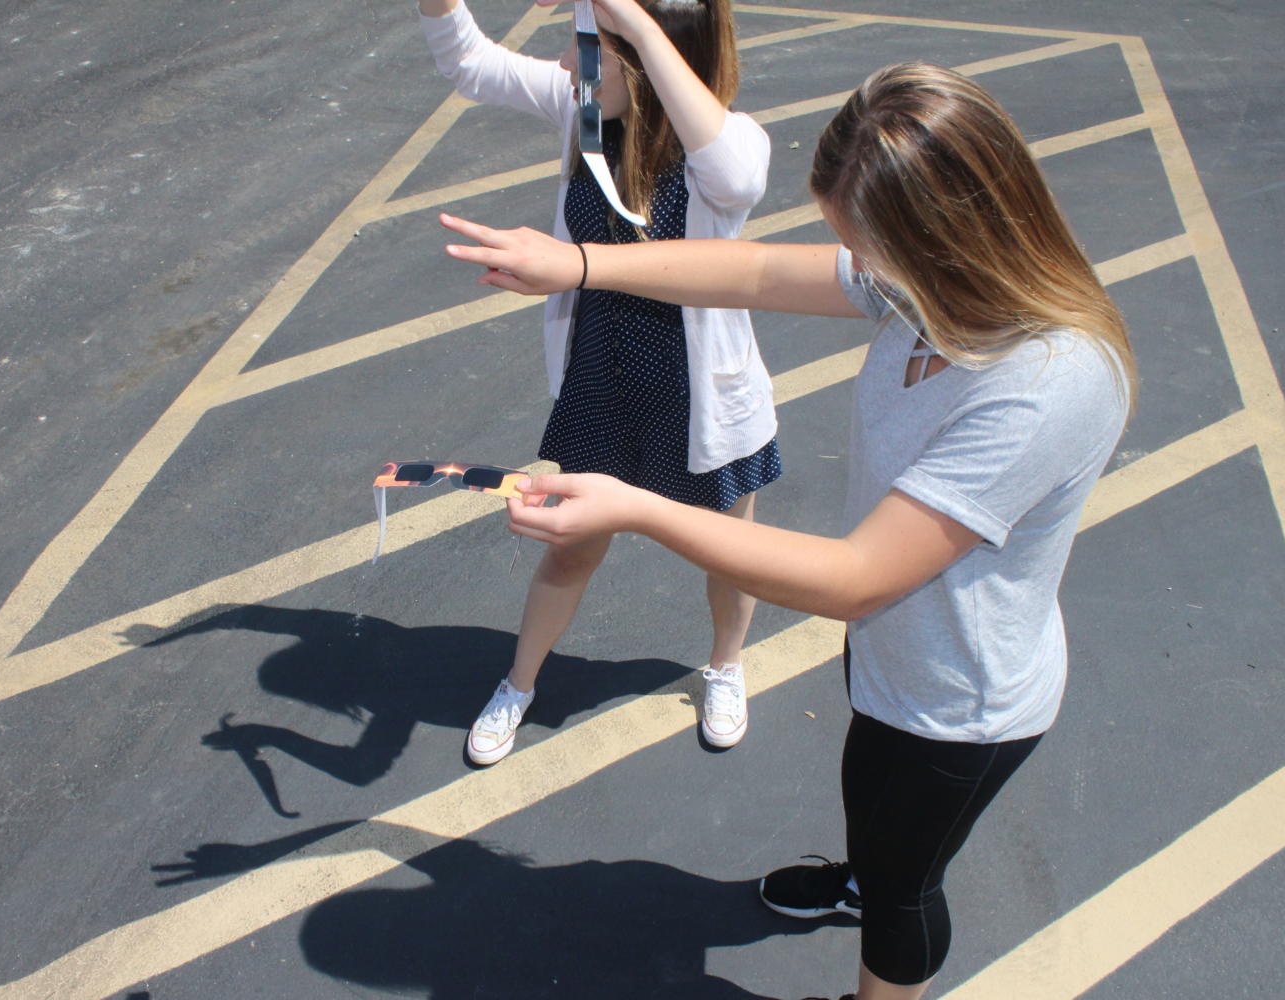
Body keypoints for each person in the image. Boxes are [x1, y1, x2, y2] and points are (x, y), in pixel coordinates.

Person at [441, 61, 1135, 1000]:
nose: (858, 269)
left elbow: (856, 576)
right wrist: (580, 263)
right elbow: (758, 270)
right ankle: (858, 875)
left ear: (947, 236)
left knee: (906, 885)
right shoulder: (932, 287)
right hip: (898, 660)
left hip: (963, 701)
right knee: (870, 817)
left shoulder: (1046, 382)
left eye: (867, 249)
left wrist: (644, 508)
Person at [417, 0, 782, 765]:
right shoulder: (584, 109)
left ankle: (725, 666)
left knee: (728, 553)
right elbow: (471, 64)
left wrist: (636, 28)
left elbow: (740, 176)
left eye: (590, 51)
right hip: (602, 382)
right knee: (572, 550)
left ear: (648, 62)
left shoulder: (728, 144)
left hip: (701, 399)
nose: (566, 66)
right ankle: (520, 682)